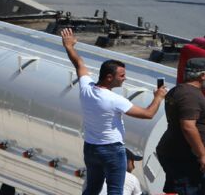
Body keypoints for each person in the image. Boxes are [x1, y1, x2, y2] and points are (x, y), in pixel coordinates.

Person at [60, 27, 166, 195]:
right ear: (109, 77)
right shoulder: (114, 100)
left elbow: (79, 63)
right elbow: (148, 114)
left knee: (92, 189)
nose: (125, 78)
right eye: (122, 75)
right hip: (111, 150)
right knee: (115, 191)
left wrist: (69, 46)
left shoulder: (86, 89)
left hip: (91, 148)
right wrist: (159, 97)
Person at [156, 58, 205, 195]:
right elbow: (188, 126)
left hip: (175, 152)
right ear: (202, 75)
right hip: (185, 157)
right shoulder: (189, 95)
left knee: (174, 189)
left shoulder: (177, 90)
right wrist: (203, 155)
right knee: (189, 189)